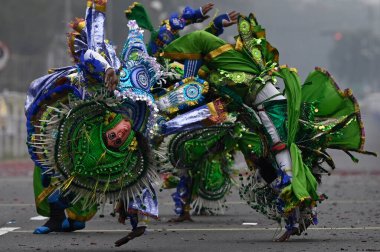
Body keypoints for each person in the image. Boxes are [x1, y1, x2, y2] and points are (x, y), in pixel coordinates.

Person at [161, 12, 375, 240]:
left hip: (270, 107)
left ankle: (293, 194)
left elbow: (191, 76)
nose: (190, 65)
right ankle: (295, 212)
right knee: (265, 163)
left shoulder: (228, 58)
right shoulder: (223, 63)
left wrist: (176, 98)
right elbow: (199, 85)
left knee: (279, 150)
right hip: (257, 114)